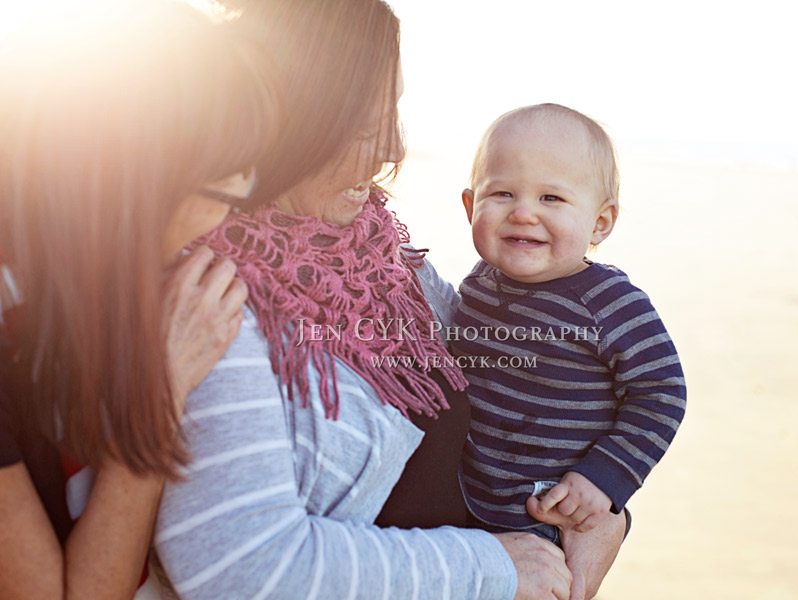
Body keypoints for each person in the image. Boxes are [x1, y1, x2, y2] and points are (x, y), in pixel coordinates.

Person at [153, 2, 624, 599]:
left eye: (394, 113)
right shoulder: (218, 300)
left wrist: (607, 510)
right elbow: (242, 566)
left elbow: (543, 379)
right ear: (290, 119)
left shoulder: (376, 255)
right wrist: (492, 569)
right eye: (363, 125)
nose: (392, 149)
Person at [0, 1, 281, 598]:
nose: (232, 212)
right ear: (142, 184)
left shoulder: (70, 280)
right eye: (228, 182)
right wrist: (164, 388)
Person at [453, 103, 687, 596]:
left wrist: (603, 480)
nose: (523, 212)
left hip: (552, 515)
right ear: (471, 205)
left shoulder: (610, 303)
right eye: (502, 193)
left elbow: (661, 391)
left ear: (600, 224)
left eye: (552, 197)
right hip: (467, 508)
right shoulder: (476, 286)